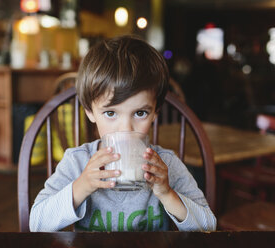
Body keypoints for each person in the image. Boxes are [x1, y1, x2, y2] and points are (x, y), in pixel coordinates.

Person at [29, 35, 216, 232]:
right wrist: (81, 186)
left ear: (155, 113)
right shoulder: (77, 162)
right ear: (90, 112)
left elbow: (208, 226)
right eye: (110, 113)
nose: (126, 128)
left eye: (140, 113)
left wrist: (167, 193)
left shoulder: (166, 164)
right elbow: (36, 223)